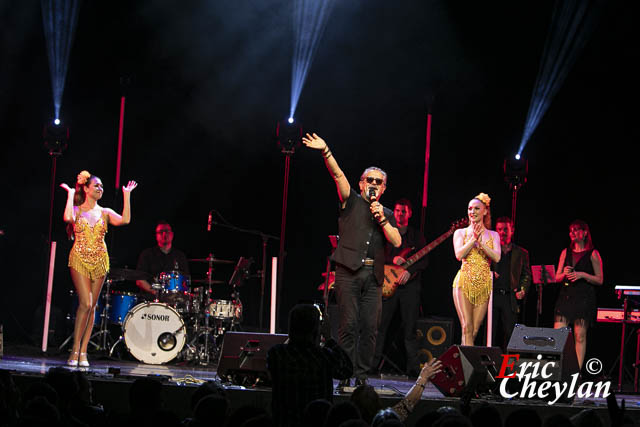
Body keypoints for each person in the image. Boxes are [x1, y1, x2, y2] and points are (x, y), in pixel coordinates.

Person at [302, 133, 401, 387]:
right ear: (361, 183)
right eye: (370, 180)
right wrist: (326, 151)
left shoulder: (387, 213)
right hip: (348, 272)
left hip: (374, 277)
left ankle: (362, 376)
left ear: (384, 188)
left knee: (370, 329)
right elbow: (337, 175)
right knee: (348, 326)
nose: (374, 184)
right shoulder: (351, 201)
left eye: (379, 182)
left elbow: (397, 241)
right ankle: (344, 374)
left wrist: (381, 218)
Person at [60, 170, 137, 367]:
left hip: (100, 261)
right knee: (85, 303)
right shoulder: (77, 210)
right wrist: (70, 194)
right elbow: (67, 217)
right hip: (79, 259)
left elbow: (125, 220)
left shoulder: (105, 212)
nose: (100, 188)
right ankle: (75, 349)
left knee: (93, 306)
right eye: (96, 185)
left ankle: (84, 351)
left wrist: (127, 195)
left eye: (102, 186)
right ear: (86, 189)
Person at [266, 304, 352, 427]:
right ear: (317, 330)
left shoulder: (277, 354)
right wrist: (329, 338)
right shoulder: (324, 357)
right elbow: (347, 369)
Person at [373, 198, 428, 376]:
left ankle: (413, 370)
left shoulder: (417, 236)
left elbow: (425, 261)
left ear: (410, 214)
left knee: (410, 329)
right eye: (397, 211)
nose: (400, 214)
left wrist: (409, 272)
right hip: (389, 285)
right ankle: (371, 366)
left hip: (410, 288)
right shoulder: (387, 233)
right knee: (380, 327)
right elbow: (377, 256)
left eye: (403, 211)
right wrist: (392, 260)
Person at [553, 220, 603, 369]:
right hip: (566, 296)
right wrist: (564, 274)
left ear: (585, 232)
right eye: (571, 231)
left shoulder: (592, 253)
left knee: (579, 336)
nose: (572, 234)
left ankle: (576, 372)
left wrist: (582, 275)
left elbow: (600, 279)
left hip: (583, 298)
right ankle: (558, 370)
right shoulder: (565, 252)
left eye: (576, 230)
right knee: (559, 336)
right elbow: (557, 277)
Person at [452, 193, 500, 346]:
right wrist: (473, 239)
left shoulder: (494, 235)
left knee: (474, 331)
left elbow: (497, 257)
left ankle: (463, 364)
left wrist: (482, 243)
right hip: (464, 281)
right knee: (466, 327)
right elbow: (459, 254)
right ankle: (467, 370)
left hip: (484, 284)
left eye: (476, 208)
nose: (472, 212)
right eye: (470, 208)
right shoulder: (460, 233)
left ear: (485, 211)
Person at [492, 216, 532, 351]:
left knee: (510, 334)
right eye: (499, 229)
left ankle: (508, 366)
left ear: (512, 230)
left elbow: (526, 274)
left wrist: (523, 290)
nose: (502, 232)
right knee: (490, 334)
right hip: (492, 296)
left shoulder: (521, 253)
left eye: (505, 229)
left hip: (510, 298)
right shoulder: (491, 249)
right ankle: (489, 366)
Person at [135, 221, 190, 295]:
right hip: (150, 300)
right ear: (156, 236)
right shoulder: (147, 254)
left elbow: (185, 281)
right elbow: (140, 280)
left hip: (173, 300)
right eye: (161, 232)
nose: (164, 234)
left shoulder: (180, 256)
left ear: (172, 234)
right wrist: (154, 292)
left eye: (167, 231)